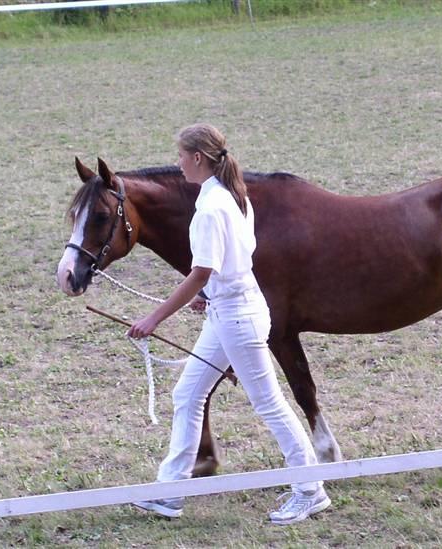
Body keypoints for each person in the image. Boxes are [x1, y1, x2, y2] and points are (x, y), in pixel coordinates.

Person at [128, 123, 330, 525]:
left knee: (269, 404)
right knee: (188, 394)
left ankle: (310, 489)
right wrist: (210, 294)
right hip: (229, 311)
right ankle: (170, 492)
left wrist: (155, 317)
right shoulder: (232, 197)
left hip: (237, 318)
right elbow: (233, 260)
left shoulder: (210, 207)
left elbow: (201, 271)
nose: (178, 162)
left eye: (181, 155)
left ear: (197, 158)